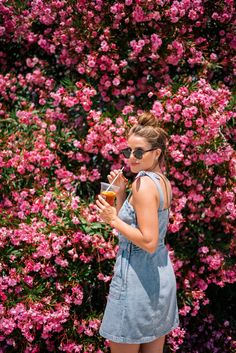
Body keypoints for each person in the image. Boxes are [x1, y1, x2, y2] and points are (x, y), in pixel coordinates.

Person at [96, 112, 179, 353]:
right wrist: (121, 195)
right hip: (158, 278)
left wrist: (112, 219)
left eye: (139, 152)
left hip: (136, 281)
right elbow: (140, 230)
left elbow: (149, 241)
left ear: (157, 153)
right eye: (128, 151)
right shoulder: (161, 180)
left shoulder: (143, 184)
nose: (131, 157)